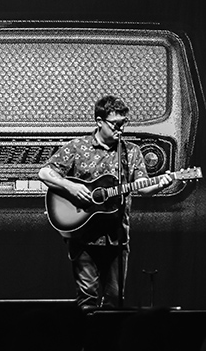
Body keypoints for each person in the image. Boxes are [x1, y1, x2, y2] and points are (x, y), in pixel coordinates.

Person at [39, 95, 172, 310]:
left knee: (115, 301)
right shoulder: (78, 147)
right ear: (99, 121)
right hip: (83, 236)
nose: (120, 128)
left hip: (117, 237)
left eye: (124, 123)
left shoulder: (131, 152)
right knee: (87, 300)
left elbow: (143, 186)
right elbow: (44, 172)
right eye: (115, 124)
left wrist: (162, 183)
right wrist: (71, 186)